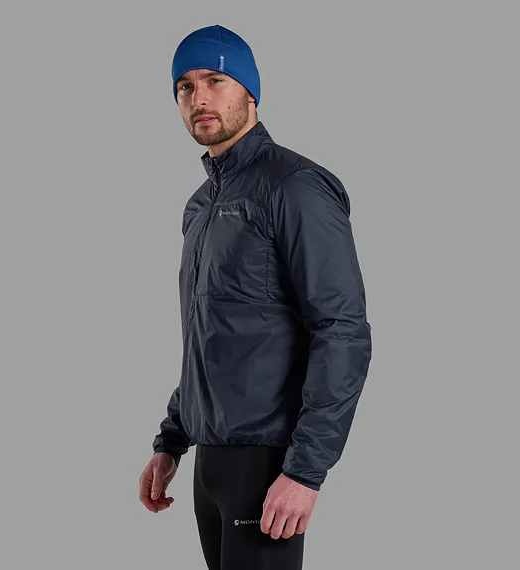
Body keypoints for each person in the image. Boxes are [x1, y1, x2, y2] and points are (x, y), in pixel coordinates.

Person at [139, 24, 372, 570]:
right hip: (210, 467)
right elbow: (209, 340)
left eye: (215, 80)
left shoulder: (296, 186)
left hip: (270, 463)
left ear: (250, 91)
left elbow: (342, 331)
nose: (198, 98)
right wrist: (171, 440)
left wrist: (305, 471)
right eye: (184, 86)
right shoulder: (200, 207)